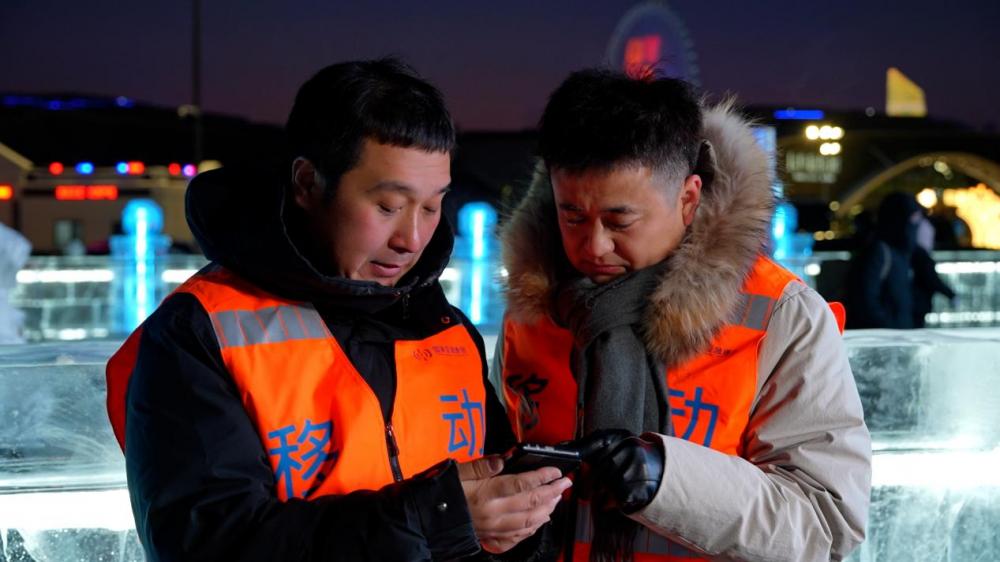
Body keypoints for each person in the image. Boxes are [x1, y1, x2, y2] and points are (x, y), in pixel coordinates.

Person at [106, 58, 569, 561]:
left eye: (432, 207)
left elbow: (490, 515)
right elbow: (209, 544)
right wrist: (434, 519)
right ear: (308, 183)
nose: (412, 239)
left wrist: (530, 516)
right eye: (389, 206)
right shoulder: (201, 332)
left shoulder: (447, 331)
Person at [495, 69, 871, 561]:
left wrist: (668, 480)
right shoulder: (534, 309)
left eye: (619, 220)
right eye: (573, 217)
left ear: (689, 198)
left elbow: (825, 523)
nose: (594, 245)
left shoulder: (780, 315)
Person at [845, 191, 923, 329]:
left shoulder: (900, 252)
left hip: (897, 333)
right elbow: (865, 299)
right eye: (912, 218)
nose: (916, 224)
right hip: (883, 336)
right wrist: (886, 326)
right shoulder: (879, 251)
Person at [911, 215, 956, 328]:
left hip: (913, 304)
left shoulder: (913, 253)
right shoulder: (922, 256)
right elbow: (932, 280)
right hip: (917, 304)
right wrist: (951, 295)